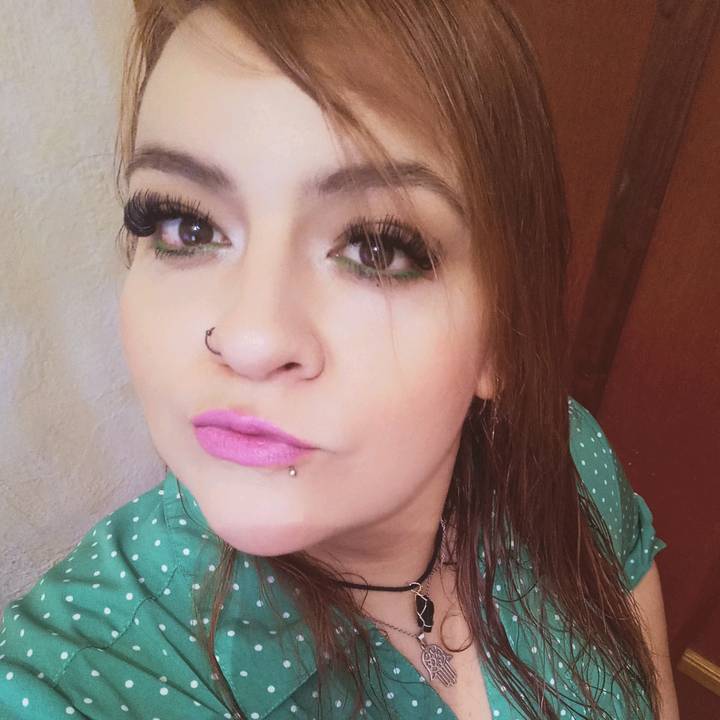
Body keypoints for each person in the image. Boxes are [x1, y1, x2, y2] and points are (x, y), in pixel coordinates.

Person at [0, 1, 678, 719]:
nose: (251, 339)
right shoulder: (72, 683)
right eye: (185, 225)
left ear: (501, 335)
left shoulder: (565, 455)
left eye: (377, 247)